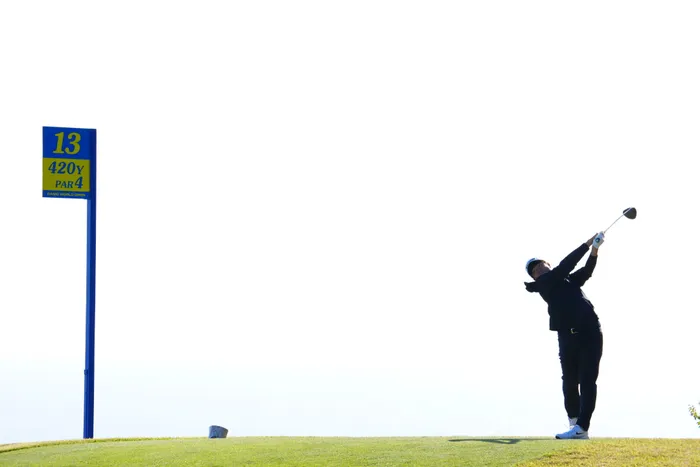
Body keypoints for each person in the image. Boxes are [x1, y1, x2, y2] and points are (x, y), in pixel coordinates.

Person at [523, 232, 605, 440]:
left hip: (590, 332)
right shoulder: (545, 283)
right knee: (569, 381)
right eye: (534, 271)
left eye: (540, 265)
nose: (537, 269)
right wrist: (587, 244)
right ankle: (574, 423)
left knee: (587, 380)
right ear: (534, 278)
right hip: (567, 337)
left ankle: (582, 427)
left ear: (547, 264)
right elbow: (566, 265)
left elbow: (586, 271)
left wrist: (594, 250)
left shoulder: (566, 280)